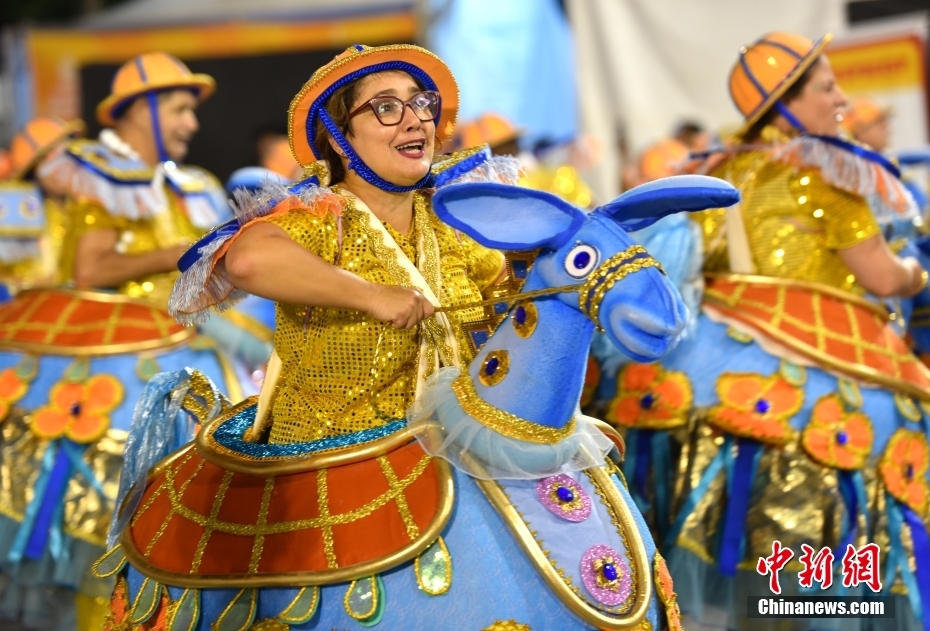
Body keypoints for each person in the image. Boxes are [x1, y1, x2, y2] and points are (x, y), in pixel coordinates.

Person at [94, 43, 706, 630]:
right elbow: (249, 261)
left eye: (421, 104)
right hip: (337, 457)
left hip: (455, 445)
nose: (414, 119)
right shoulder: (315, 217)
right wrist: (370, 295)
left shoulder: (454, 217)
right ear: (341, 136)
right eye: (385, 107)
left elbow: (510, 310)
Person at [614, 32, 930, 631]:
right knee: (903, 423)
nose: (841, 98)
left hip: (703, 363)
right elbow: (881, 277)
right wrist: (917, 272)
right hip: (820, 359)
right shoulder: (832, 168)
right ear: (786, 100)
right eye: (826, 86)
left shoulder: (716, 167)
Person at [0, 54, 243, 631]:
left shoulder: (192, 184)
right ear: (145, 109)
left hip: (190, 334)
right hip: (130, 343)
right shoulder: (101, 174)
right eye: (181, 109)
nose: (191, 124)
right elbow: (90, 270)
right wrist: (182, 254)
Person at [0, 117, 84, 293]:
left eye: (64, 157)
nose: (57, 169)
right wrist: (28, 287)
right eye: (46, 161)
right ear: (32, 171)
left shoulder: (92, 206)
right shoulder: (13, 214)